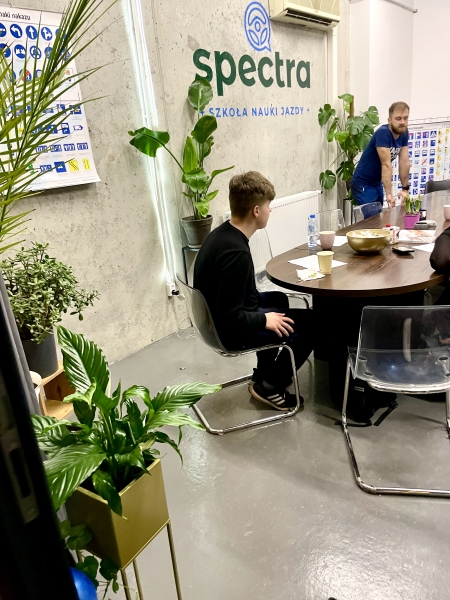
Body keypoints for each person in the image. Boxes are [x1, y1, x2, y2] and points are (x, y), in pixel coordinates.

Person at [193, 171, 314, 411]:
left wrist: (266, 314)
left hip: (214, 320)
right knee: (312, 324)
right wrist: (264, 319)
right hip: (227, 331)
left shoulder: (223, 234)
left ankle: (264, 374)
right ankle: (271, 385)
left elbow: (240, 295)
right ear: (256, 211)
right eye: (268, 205)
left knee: (278, 299)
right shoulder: (236, 254)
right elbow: (230, 318)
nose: (270, 209)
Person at [351, 101, 411, 213]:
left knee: (379, 217)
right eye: (398, 119)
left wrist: (405, 189)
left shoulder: (404, 133)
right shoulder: (383, 133)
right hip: (363, 182)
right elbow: (386, 165)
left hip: (377, 181)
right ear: (389, 120)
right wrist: (389, 194)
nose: (402, 122)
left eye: (405, 118)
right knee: (372, 217)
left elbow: (404, 162)